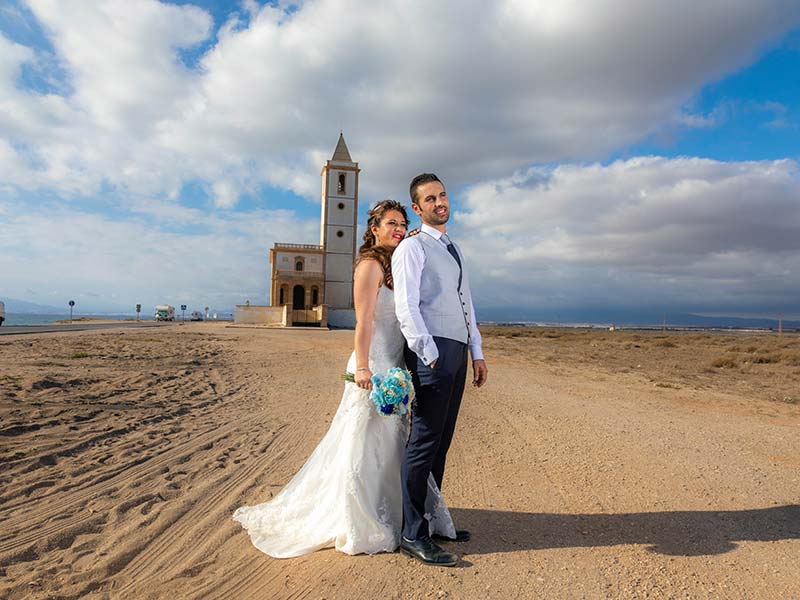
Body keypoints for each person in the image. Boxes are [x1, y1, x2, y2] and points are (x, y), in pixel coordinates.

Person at [233, 200, 455, 558]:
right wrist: (364, 368)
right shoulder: (369, 266)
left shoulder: (396, 264)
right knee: (362, 440)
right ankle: (358, 516)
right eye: (392, 223)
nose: (399, 229)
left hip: (395, 361)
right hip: (373, 363)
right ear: (374, 229)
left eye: (403, 223)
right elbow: (364, 321)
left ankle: (398, 513)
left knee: (391, 443)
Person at [393, 173, 488, 567]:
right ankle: (411, 533)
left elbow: (466, 300)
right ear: (417, 208)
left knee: (442, 441)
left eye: (443, 195)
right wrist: (428, 352)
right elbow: (406, 306)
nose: (439, 202)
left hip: (457, 348)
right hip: (432, 350)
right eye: (430, 199)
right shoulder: (411, 249)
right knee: (424, 441)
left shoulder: (454, 248)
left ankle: (432, 521)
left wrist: (476, 351)